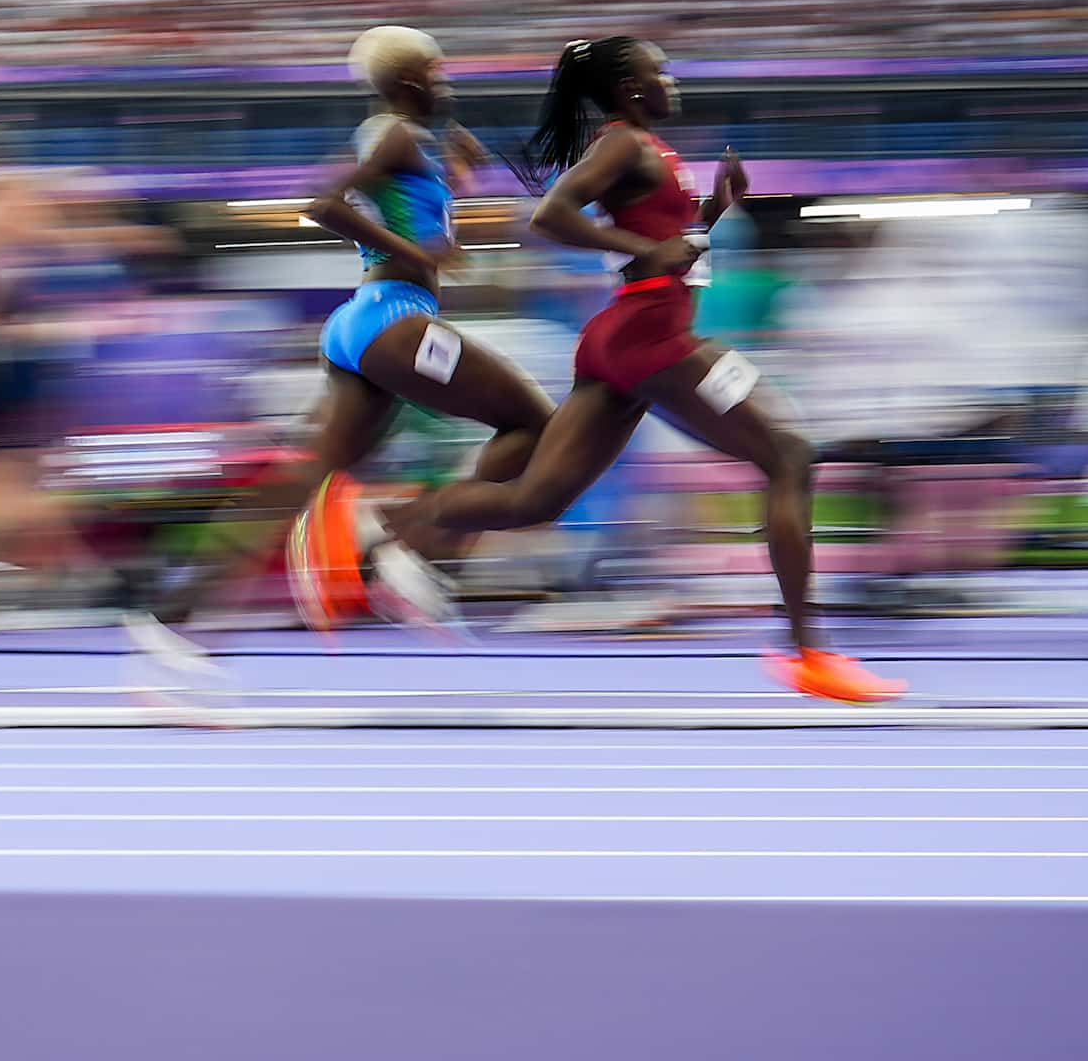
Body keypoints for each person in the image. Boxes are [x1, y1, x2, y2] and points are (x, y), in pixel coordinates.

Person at [293, 36, 902, 703]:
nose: (672, 82)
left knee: (535, 501)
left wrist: (713, 212)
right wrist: (644, 246)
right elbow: (553, 214)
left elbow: (674, 251)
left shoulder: (652, 151)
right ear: (628, 89)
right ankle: (809, 653)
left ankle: (382, 528)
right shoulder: (622, 144)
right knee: (789, 454)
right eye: (659, 73)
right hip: (653, 338)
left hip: (621, 344)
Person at [129, 27, 552, 672]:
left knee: (303, 482)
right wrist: (415, 254)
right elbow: (325, 205)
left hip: (365, 326)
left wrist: (459, 179)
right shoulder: (398, 134)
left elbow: (415, 219)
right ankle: (411, 549)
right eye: (440, 73)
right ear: (410, 81)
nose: (450, 83)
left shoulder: (408, 142)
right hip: (395, 321)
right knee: (532, 421)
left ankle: (178, 616)